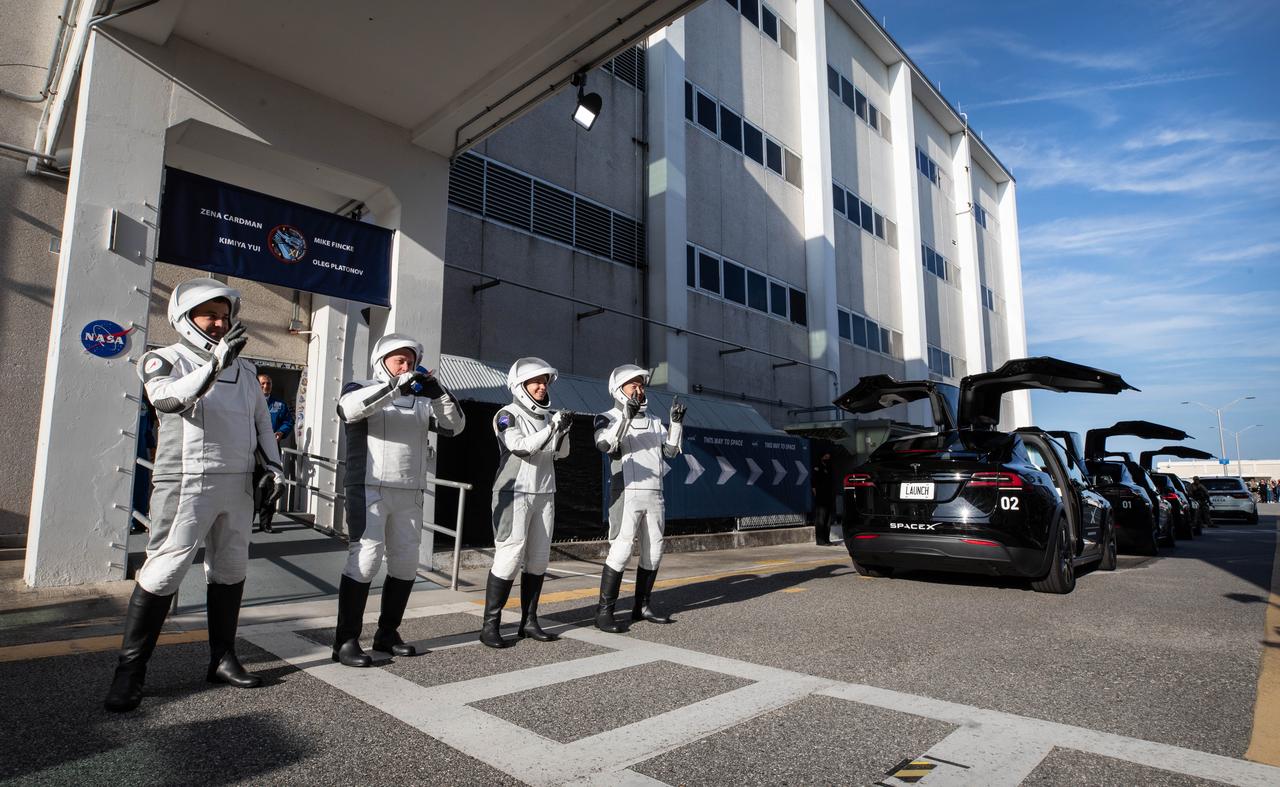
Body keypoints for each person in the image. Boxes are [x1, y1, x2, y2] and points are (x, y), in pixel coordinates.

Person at [104, 278, 285, 713]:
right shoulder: (162, 358)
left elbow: (262, 421)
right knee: (164, 571)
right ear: (186, 319)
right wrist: (215, 364)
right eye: (211, 316)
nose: (221, 324)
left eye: (225, 317)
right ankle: (130, 673)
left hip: (237, 482)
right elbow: (167, 401)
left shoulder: (244, 366)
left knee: (229, 569)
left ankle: (222, 659)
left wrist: (275, 469)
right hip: (186, 480)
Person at [331, 334, 465, 667]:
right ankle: (345, 641)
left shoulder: (422, 401)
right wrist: (396, 386)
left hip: (410, 490)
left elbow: (455, 427)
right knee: (364, 561)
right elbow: (347, 409)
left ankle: (387, 633)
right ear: (382, 362)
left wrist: (438, 393)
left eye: (410, 361)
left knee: (405, 564)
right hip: (369, 487)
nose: (406, 367)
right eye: (398, 361)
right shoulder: (359, 387)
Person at [479, 358, 572, 648]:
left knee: (539, 560)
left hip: (545, 493)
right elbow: (521, 447)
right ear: (520, 386)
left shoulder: (547, 417)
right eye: (536, 381)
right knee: (509, 557)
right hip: (514, 494)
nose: (542, 386)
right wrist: (553, 427)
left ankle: (528, 621)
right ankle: (490, 626)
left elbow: (562, 453)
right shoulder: (506, 414)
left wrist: (562, 430)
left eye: (544, 381)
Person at [593, 364, 685, 633]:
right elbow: (605, 445)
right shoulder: (606, 417)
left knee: (654, 552)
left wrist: (676, 424)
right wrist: (626, 416)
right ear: (619, 390)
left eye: (642, 385)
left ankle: (642, 606)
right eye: (633, 385)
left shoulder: (655, 421)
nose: (639, 389)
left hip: (655, 494)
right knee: (620, 551)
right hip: (626, 493)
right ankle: (604, 613)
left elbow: (670, 452)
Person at [254, 373, 294, 533]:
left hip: (271, 451)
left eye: (268, 383)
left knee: (271, 487)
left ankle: (265, 523)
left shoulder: (279, 404)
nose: (265, 386)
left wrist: (281, 433)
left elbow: (288, 421)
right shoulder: (249, 402)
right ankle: (245, 523)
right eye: (262, 383)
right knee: (248, 487)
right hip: (251, 450)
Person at [811, 451, 834, 545]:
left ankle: (827, 539)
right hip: (821, 496)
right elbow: (814, 482)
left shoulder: (829, 467)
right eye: (825, 456)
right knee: (821, 518)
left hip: (829, 495)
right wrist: (816, 493)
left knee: (828, 519)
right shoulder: (817, 466)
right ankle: (820, 540)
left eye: (828, 456)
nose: (827, 458)